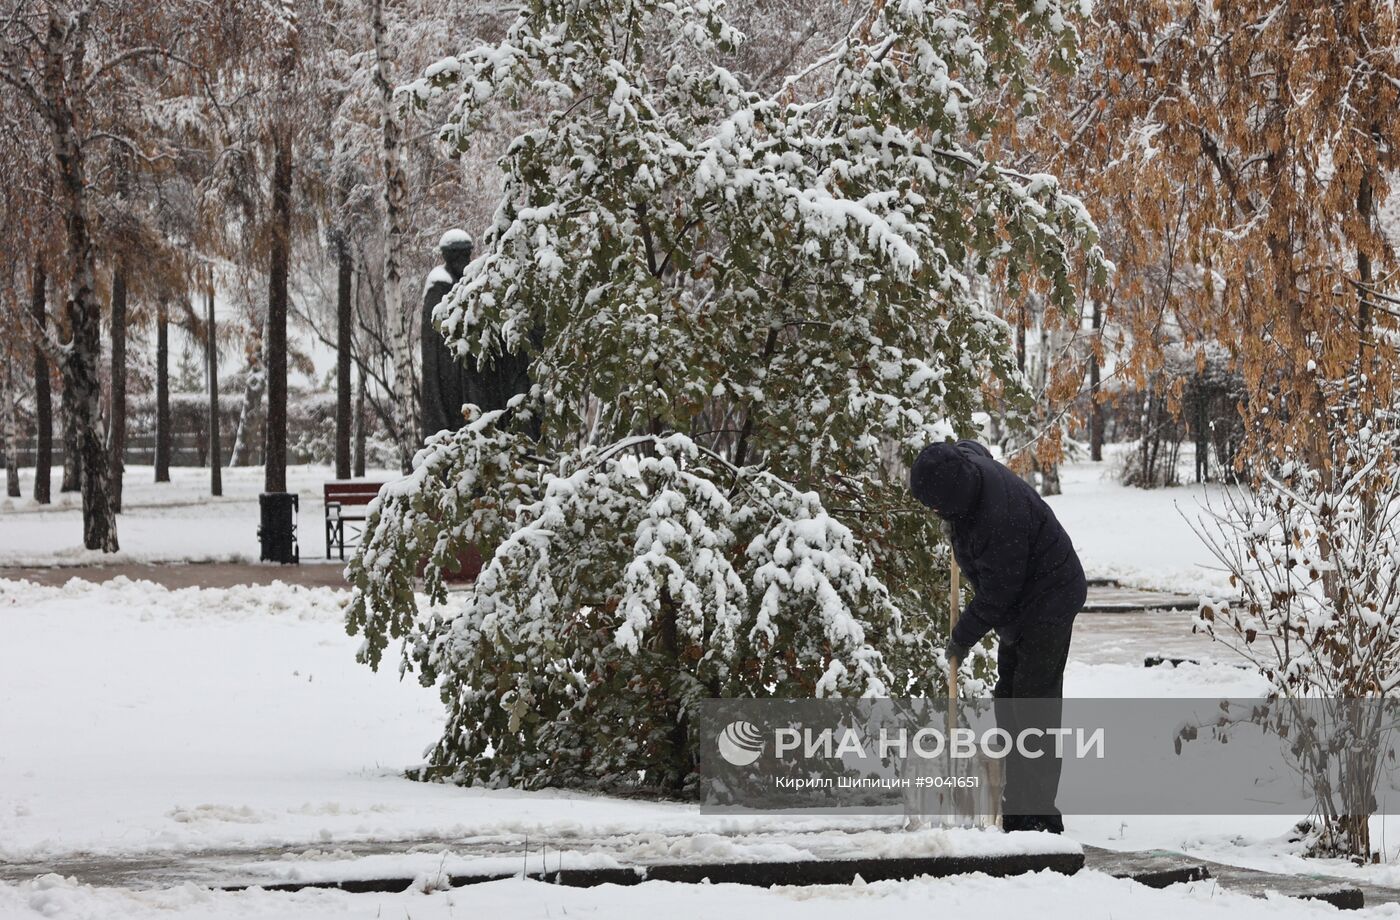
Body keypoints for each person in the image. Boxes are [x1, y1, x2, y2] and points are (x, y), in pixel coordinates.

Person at [909, 438, 1086, 833]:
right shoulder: (968, 472)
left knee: (1032, 709)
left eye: (937, 507)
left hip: (1049, 599)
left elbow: (998, 594)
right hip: (1023, 601)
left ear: (955, 498)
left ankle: (1036, 817)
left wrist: (962, 636)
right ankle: (1016, 801)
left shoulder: (997, 517)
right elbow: (972, 447)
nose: (935, 513)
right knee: (1008, 699)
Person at [420, 229, 539, 439]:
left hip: (475, 375)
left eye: (466, 255)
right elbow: (435, 348)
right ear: (447, 257)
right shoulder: (438, 290)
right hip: (452, 378)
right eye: (458, 256)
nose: (463, 261)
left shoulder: (475, 285)